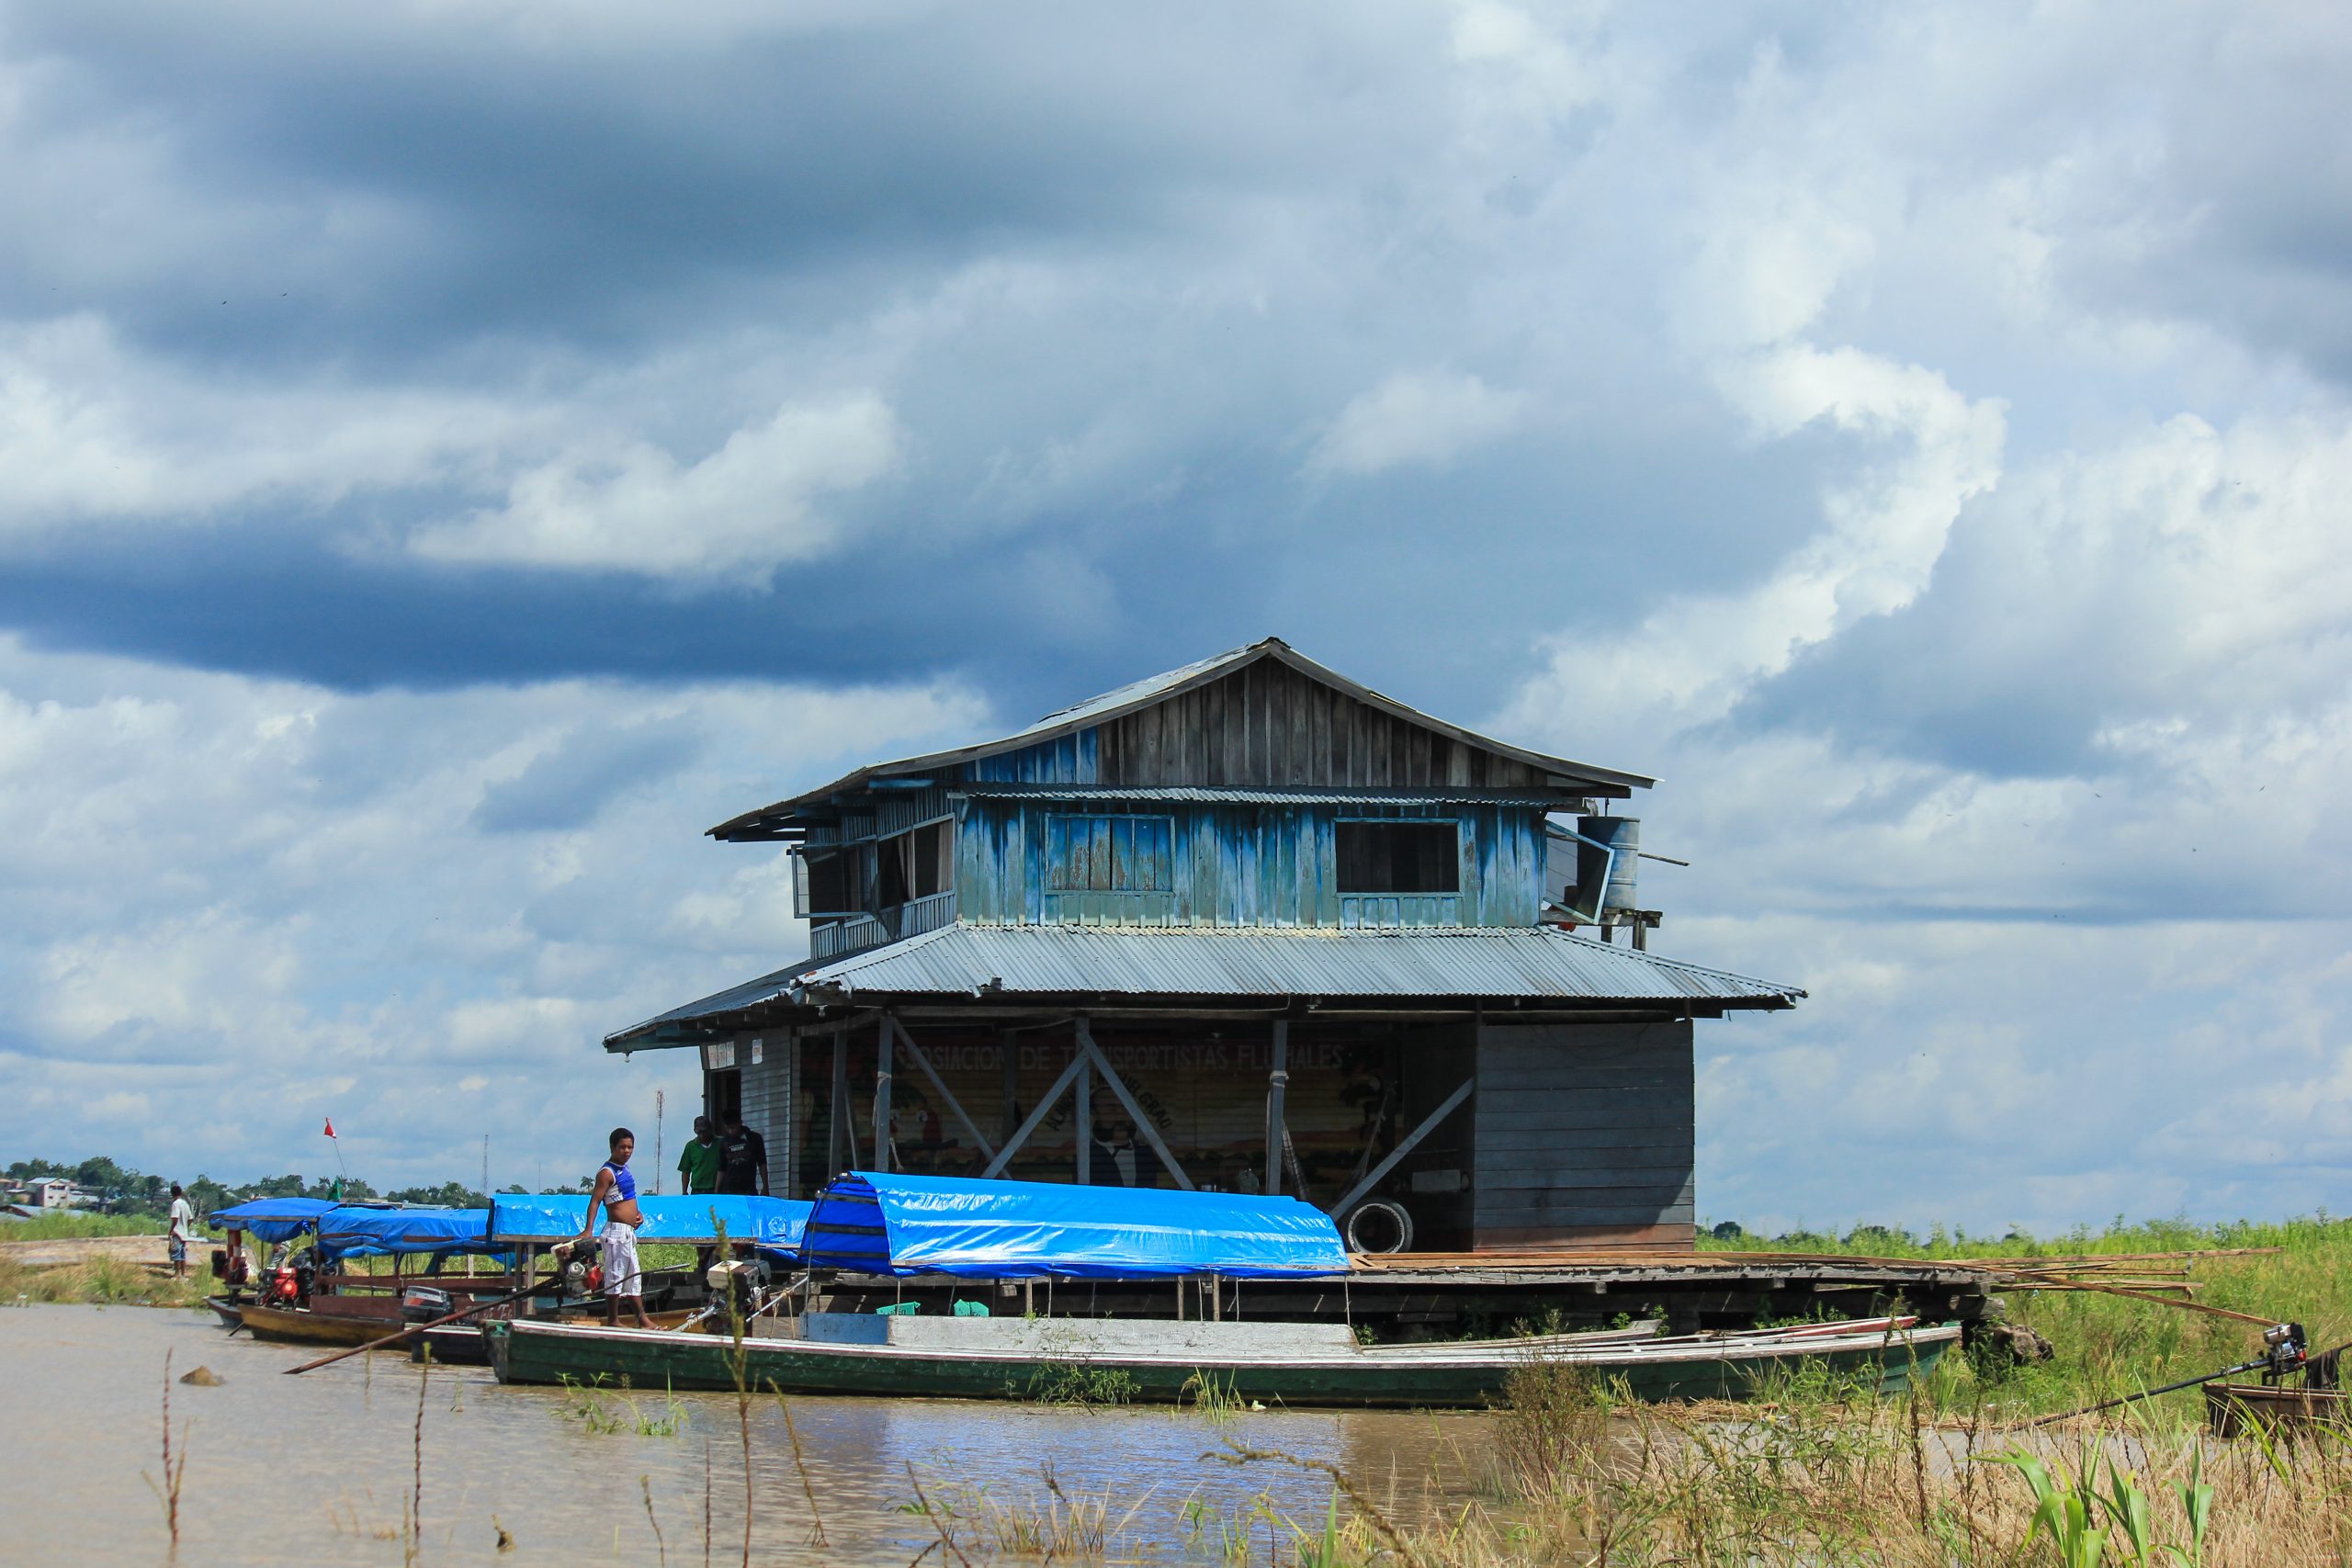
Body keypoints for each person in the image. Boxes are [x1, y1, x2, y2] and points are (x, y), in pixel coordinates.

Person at [571, 1127, 654, 1328]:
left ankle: (642, 1319)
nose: (626, 1151)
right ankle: (613, 1320)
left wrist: (637, 1214)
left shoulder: (625, 1170)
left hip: (628, 1232)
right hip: (615, 1232)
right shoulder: (606, 1173)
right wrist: (588, 1229)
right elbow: (595, 1201)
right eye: (622, 1147)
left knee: (633, 1277)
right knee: (615, 1277)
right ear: (612, 1147)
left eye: (630, 1147)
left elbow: (627, 1199)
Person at [716, 1111, 768, 1197]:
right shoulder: (724, 1142)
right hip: (729, 1189)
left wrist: (765, 1186)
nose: (731, 1131)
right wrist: (716, 1190)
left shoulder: (754, 1138)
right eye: (728, 1128)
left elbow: (762, 1163)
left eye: (733, 1127)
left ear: (740, 1123)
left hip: (748, 1188)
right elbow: (722, 1168)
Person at [676, 1115, 720, 1196]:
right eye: (699, 1132)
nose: (702, 1135)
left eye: (704, 1132)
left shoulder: (720, 1143)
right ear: (695, 1131)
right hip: (697, 1190)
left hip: (717, 1190)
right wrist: (684, 1191)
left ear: (710, 1129)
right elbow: (685, 1170)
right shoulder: (690, 1146)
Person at [166, 1184, 195, 1280]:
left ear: (172, 1194)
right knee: (182, 1255)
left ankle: (177, 1274)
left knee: (176, 1254)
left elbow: (175, 1218)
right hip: (184, 1233)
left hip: (177, 1232)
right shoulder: (185, 1204)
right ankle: (183, 1275)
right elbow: (190, 1219)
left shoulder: (176, 1204)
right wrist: (185, 1227)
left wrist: (172, 1230)